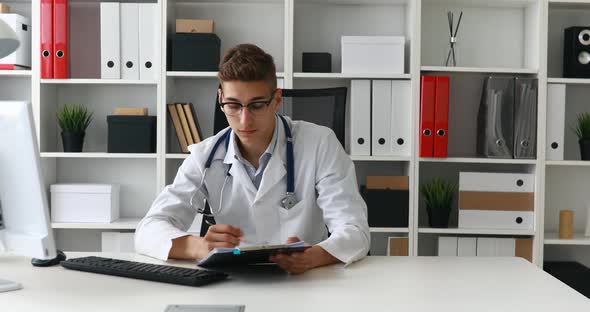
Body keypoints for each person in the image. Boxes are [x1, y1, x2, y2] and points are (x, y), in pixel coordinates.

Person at [135, 43, 369, 274]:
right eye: (233, 105)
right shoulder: (205, 155)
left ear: (276, 100)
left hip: (305, 279)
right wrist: (199, 247)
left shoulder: (320, 143)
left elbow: (355, 230)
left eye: (257, 105)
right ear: (221, 99)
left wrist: (312, 257)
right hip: (234, 277)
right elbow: (148, 230)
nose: (245, 120)